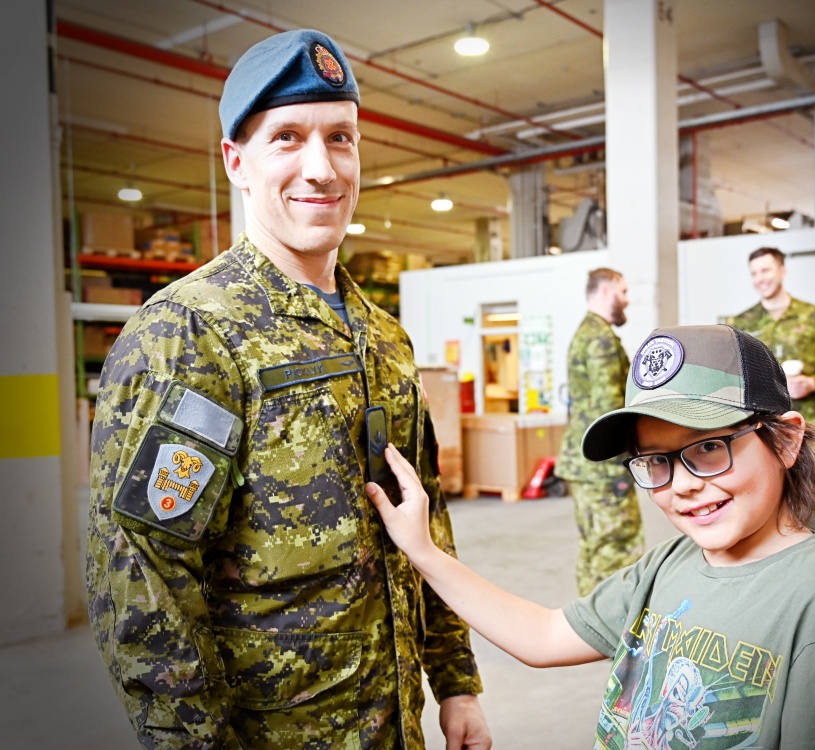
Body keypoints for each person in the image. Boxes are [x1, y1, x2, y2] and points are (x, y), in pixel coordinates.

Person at [86, 29, 490, 750]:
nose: (321, 167)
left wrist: (454, 682)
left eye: (341, 138)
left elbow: (423, 524)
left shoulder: (384, 339)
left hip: (396, 728)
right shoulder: (189, 335)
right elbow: (142, 578)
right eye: (288, 138)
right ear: (236, 163)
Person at [367, 324, 815, 749]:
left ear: (786, 440)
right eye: (657, 460)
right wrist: (423, 550)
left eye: (709, 448)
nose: (683, 485)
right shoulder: (671, 564)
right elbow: (544, 636)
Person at [728, 246, 815, 536]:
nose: (761, 278)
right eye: (755, 273)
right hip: (757, 433)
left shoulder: (814, 318)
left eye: (766, 270)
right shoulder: (741, 325)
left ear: (782, 270)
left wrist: (814, 382)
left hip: (808, 433)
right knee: (757, 510)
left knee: (813, 505)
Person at [555, 267, 644, 595]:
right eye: (622, 291)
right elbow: (610, 409)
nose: (627, 299)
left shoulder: (586, 332)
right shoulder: (600, 339)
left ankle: (589, 625)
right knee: (616, 547)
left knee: (594, 547)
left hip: (584, 462)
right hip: (603, 465)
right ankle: (611, 631)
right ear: (606, 292)